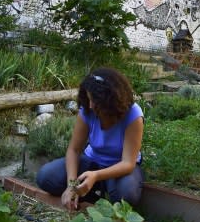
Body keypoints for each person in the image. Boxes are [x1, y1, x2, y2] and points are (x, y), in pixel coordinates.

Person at [35, 67, 144, 210]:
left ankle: (102, 187)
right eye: (89, 98)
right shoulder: (87, 109)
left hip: (119, 167)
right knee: (45, 176)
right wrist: (71, 185)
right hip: (91, 161)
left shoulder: (133, 115)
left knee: (127, 194)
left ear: (111, 101)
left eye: (95, 101)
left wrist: (96, 176)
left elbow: (128, 163)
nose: (91, 105)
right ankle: (90, 192)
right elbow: (74, 150)